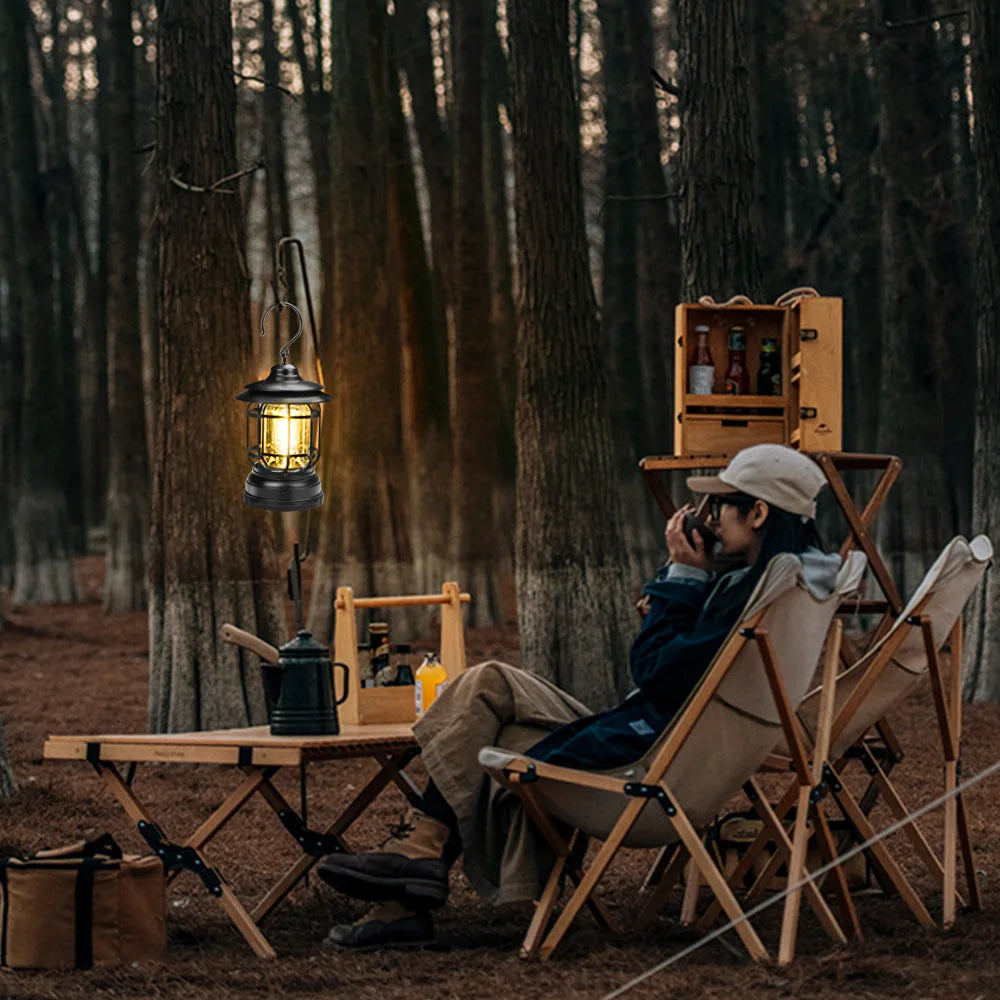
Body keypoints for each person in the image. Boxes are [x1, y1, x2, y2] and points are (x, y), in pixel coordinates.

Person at [317, 444, 841, 948]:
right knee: (487, 684)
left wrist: (682, 574)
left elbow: (656, 670)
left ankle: (412, 876)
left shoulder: (755, 596)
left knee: (489, 720)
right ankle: (417, 864)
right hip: (668, 745)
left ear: (756, 513)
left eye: (719, 505)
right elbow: (681, 670)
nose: (706, 515)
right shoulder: (787, 584)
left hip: (646, 766)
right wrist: (694, 579)